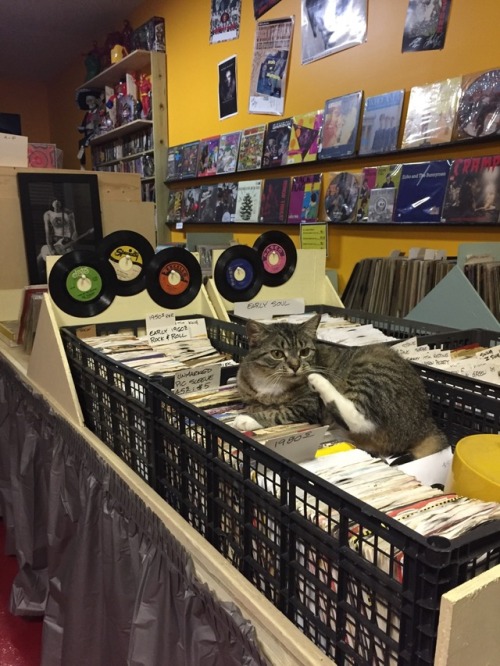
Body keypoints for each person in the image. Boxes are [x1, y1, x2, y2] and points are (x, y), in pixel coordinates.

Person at [37, 200, 78, 281]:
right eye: (54, 200)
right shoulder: (48, 214)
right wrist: (51, 248)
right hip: (54, 242)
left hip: (66, 242)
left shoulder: (68, 214)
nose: (56, 202)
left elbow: (75, 232)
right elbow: (47, 233)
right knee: (39, 259)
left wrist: (72, 240)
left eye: (58, 201)